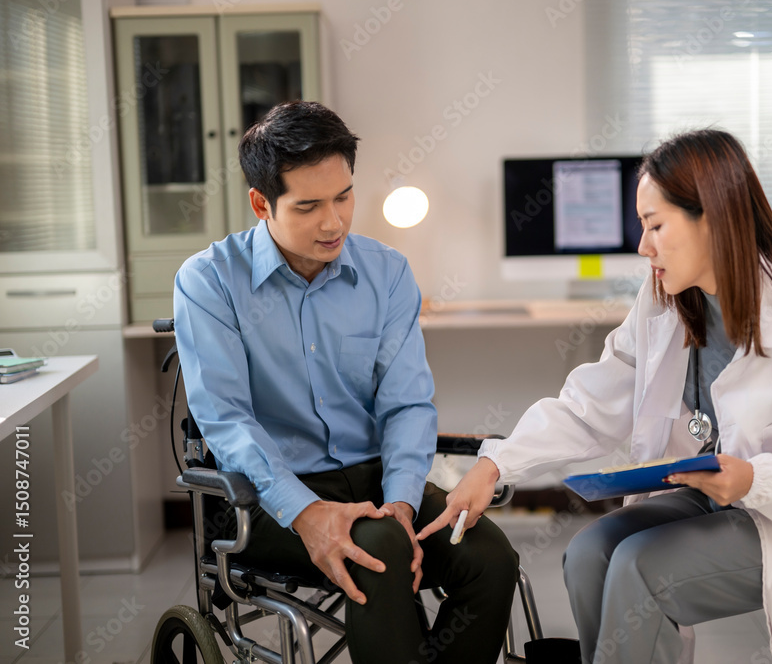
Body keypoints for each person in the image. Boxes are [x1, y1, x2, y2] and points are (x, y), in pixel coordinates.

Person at [419, 128, 772, 664]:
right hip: (712, 498)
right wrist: (496, 466)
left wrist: (755, 478)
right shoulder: (666, 305)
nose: (641, 245)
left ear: (714, 218)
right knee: (588, 553)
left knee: (639, 570)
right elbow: (591, 405)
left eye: (655, 225)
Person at [173, 100, 518, 664]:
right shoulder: (209, 281)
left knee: (490, 556)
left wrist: (404, 504)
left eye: (343, 196)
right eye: (308, 206)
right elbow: (226, 419)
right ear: (262, 203)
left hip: (376, 484)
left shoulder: (386, 274)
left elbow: (407, 405)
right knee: (378, 549)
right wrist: (307, 514)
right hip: (266, 495)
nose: (333, 222)